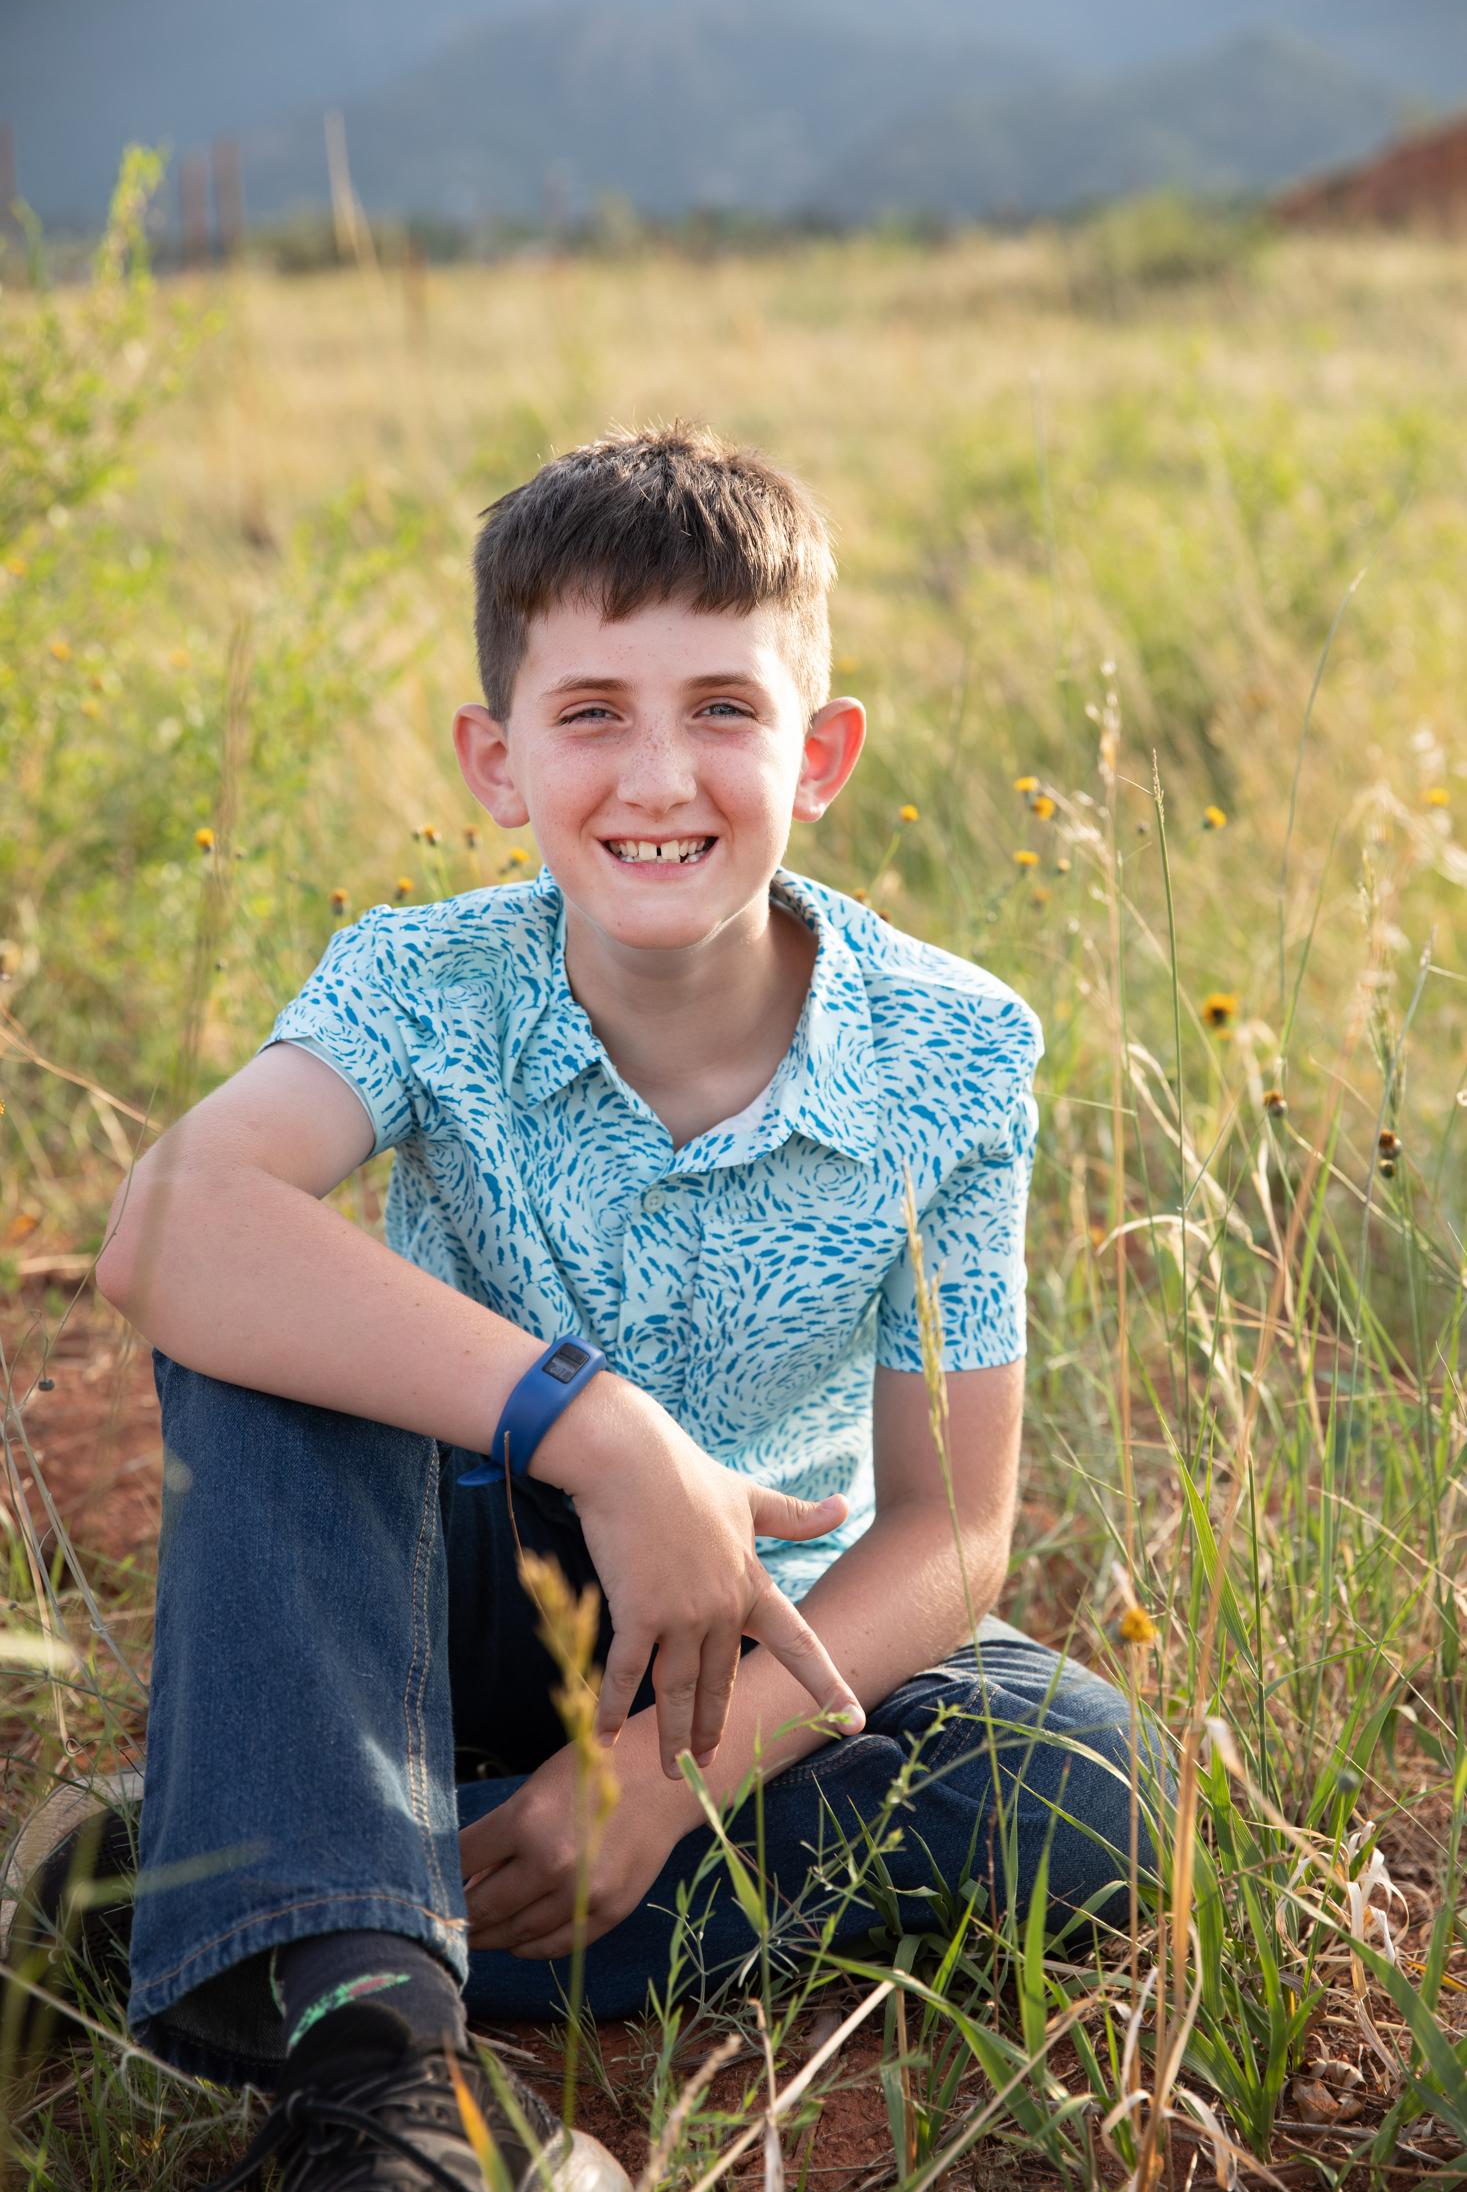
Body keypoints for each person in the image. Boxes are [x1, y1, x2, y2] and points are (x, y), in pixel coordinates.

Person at [4, 424, 1147, 2191]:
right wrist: (597, 1432)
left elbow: (954, 1529)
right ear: (497, 758)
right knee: (274, 1317)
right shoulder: (421, 979)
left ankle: (259, 1901)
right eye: (593, 712)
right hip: (440, 1600)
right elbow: (172, 1227)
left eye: (724, 710)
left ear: (822, 753)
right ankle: (390, 2081)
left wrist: (649, 1792)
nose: (658, 774)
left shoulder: (954, 1050)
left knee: (1083, 1782)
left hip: (743, 1667)